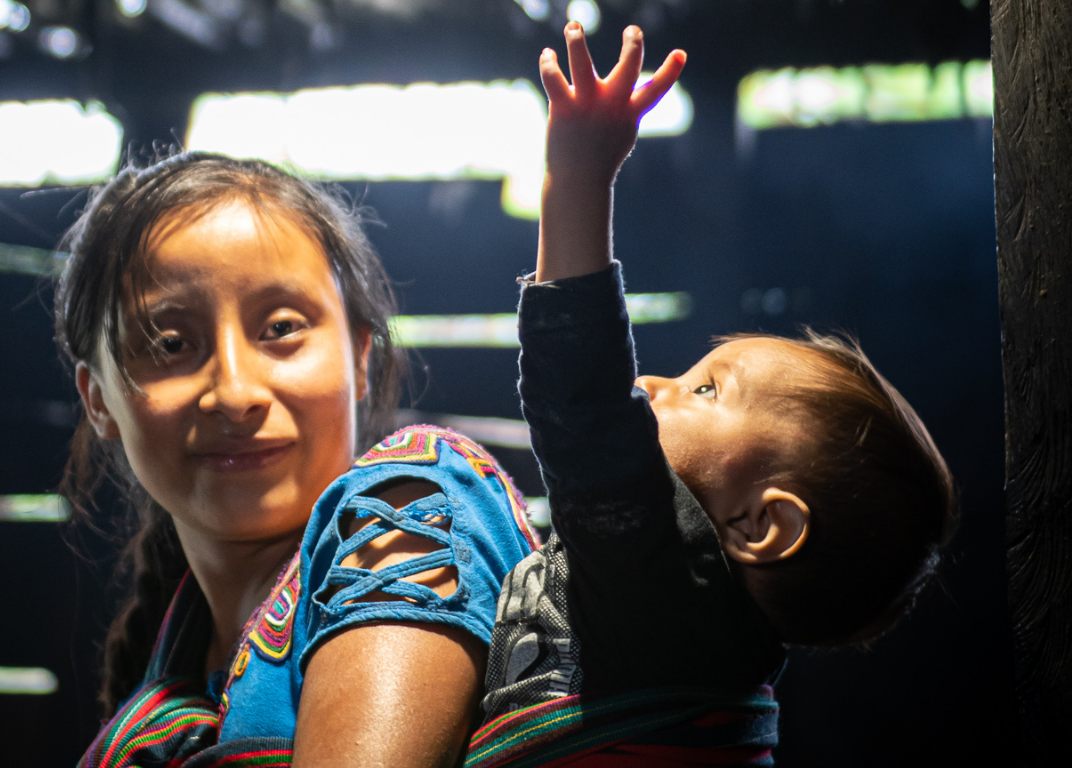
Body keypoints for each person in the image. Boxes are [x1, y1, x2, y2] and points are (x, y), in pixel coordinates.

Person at [465, 23, 958, 767]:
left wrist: (577, 176)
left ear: (760, 524)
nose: (653, 384)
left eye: (705, 389)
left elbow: (586, 402)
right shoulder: (708, 649)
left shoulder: (669, 593)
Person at [56, 154, 541, 767]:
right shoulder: (167, 673)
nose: (234, 393)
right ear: (98, 400)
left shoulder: (408, 510)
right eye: (171, 344)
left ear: (359, 356)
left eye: (282, 328)